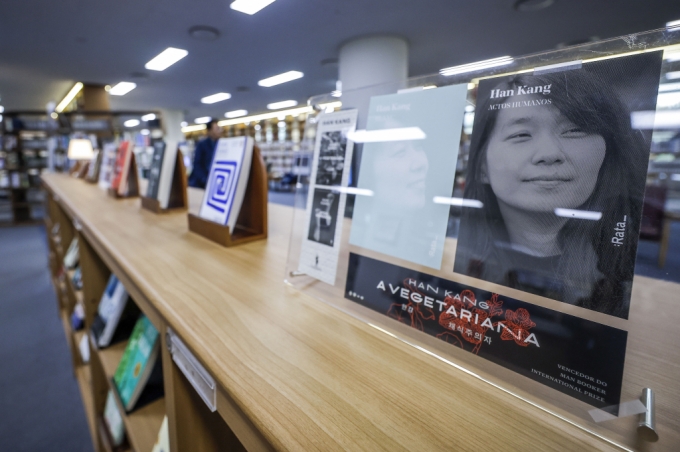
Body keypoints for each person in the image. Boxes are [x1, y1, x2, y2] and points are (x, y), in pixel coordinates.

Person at [454, 70, 649, 319]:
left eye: (574, 130)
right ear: (481, 166)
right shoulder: (462, 263)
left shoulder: (625, 278)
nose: (549, 153)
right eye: (521, 134)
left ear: (608, 153)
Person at [188, 119, 221, 188]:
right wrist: (205, 180)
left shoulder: (220, 144)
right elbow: (197, 164)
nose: (219, 131)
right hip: (201, 184)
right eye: (216, 129)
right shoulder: (202, 144)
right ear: (209, 131)